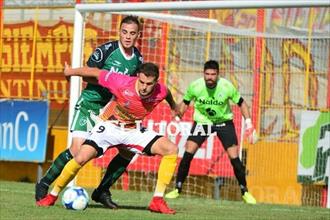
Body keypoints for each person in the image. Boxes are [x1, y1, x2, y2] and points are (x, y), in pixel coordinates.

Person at [37, 62, 179, 214]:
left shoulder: (160, 90)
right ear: (137, 77)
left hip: (133, 129)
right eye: (142, 82)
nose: (144, 87)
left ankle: (157, 201)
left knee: (171, 149)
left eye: (149, 84)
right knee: (80, 158)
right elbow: (95, 72)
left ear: (156, 82)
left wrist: (174, 106)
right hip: (109, 126)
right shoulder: (121, 82)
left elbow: (167, 93)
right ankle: (52, 196)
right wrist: (70, 71)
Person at [35, 15, 143, 209]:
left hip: (112, 110)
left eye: (132, 33)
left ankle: (102, 190)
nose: (127, 36)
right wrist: (110, 84)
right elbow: (89, 73)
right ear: (119, 32)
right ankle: (44, 183)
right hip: (91, 104)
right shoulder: (106, 51)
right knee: (77, 150)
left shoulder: (138, 58)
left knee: (128, 151)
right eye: (124, 32)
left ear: (138, 35)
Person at [165, 60, 257, 204]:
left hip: (223, 123)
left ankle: (245, 191)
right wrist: (177, 119)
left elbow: (242, 103)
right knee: (188, 153)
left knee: (234, 158)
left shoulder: (226, 86)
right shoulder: (195, 86)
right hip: (203, 123)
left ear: (218, 74)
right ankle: (177, 189)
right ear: (204, 74)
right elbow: (185, 104)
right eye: (207, 74)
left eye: (213, 74)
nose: (210, 77)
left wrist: (249, 123)